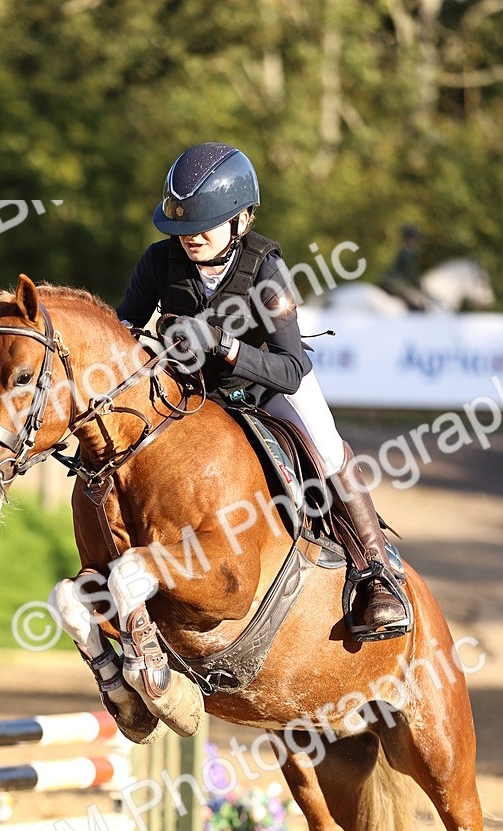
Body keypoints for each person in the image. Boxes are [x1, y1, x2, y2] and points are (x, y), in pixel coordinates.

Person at [117, 141, 408, 638]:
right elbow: (124, 326)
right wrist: (146, 340)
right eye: (182, 227)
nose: (189, 237)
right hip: (192, 394)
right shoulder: (158, 261)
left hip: (266, 388)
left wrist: (225, 344)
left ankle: (376, 573)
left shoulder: (267, 273)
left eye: (204, 225)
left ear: (241, 220)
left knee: (325, 444)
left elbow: (291, 368)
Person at [380, 225, 431, 312]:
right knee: (415, 304)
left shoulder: (403, 251)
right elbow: (410, 273)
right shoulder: (408, 253)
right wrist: (419, 288)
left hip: (393, 281)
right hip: (397, 283)